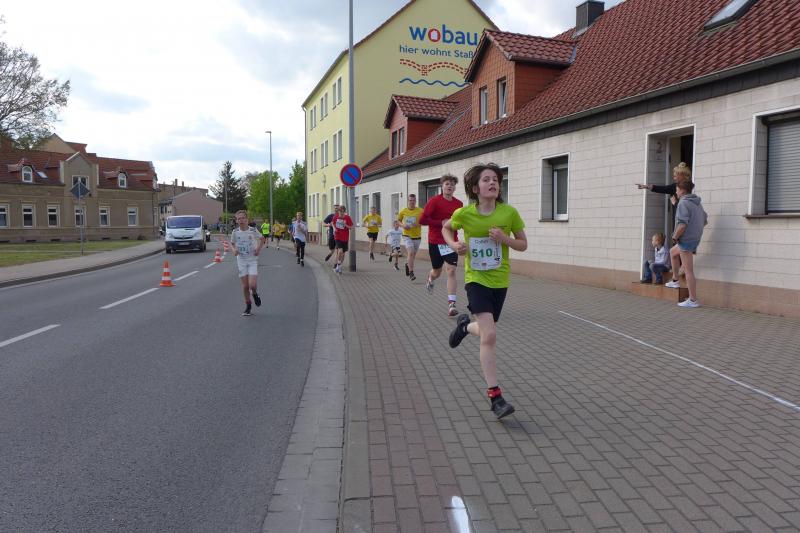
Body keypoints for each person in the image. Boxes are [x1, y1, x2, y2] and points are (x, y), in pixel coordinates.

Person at [442, 163, 527, 420]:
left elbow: (523, 244)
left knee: (485, 331)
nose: (492, 183)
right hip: (476, 279)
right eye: (486, 179)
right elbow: (446, 228)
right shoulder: (464, 213)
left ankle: (464, 327)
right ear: (475, 188)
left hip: (500, 281)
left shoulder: (509, 213)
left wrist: (504, 239)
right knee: (490, 335)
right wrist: (454, 244)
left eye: (496, 180)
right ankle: (495, 397)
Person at [420, 174, 464, 317]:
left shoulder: (459, 204)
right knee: (437, 271)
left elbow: (460, 221)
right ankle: (430, 278)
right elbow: (422, 220)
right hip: (435, 241)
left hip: (451, 241)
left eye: (452, 184)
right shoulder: (434, 201)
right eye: (447, 184)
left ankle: (452, 304)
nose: (450, 186)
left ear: (455, 187)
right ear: (442, 186)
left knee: (451, 270)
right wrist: (441, 223)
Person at [666, 180, 707, 308]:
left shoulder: (683, 203)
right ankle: (675, 280)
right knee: (673, 252)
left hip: (686, 240)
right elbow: (705, 220)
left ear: (682, 191)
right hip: (693, 238)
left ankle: (693, 300)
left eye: (677, 190)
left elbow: (682, 225)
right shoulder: (696, 203)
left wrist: (675, 237)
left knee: (688, 271)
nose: (676, 192)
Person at [230, 210, 264, 316]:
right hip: (241, 260)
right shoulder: (235, 232)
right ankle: (248, 305)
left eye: (243, 218)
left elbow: (262, 239)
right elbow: (232, 243)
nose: (241, 220)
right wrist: (234, 250)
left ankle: (255, 294)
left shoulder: (253, 230)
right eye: (239, 219)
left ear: (247, 219)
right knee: (245, 286)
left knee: (252, 285)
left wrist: (258, 249)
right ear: (236, 221)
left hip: (252, 259)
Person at [397, 194, 424, 281]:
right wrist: (403, 225)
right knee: (411, 253)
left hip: (417, 236)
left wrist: (418, 224)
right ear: (408, 201)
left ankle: (407, 264)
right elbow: (398, 221)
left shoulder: (420, 211)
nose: (412, 202)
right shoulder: (403, 211)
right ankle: (411, 272)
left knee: (412, 256)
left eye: (413, 200)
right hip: (407, 235)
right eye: (410, 200)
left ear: (415, 201)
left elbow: (425, 220)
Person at [331, 205, 353, 275]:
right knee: (340, 251)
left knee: (343, 254)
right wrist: (334, 229)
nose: (341, 213)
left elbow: (351, 227)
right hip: (337, 237)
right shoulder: (336, 217)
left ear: (344, 212)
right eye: (340, 212)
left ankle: (338, 266)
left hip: (345, 238)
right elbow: (332, 223)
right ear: (338, 211)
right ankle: (338, 264)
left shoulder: (347, 218)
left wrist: (345, 225)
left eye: (343, 212)